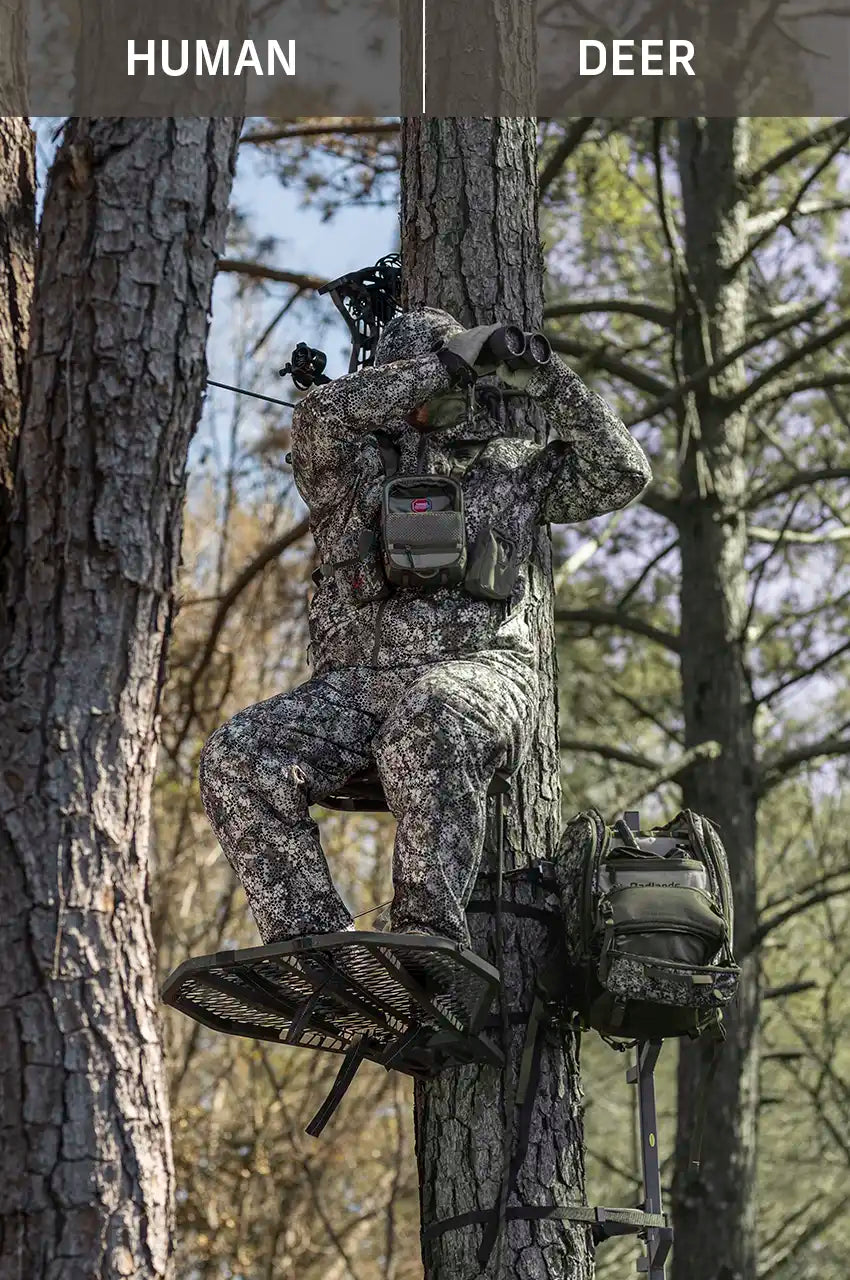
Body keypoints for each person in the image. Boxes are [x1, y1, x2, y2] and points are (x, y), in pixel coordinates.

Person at [199, 308, 652, 951]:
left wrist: (548, 377)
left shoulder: (512, 467)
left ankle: (425, 937)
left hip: (480, 671)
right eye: (412, 384)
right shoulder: (352, 470)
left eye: (445, 386)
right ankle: (311, 939)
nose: (428, 404)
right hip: (358, 686)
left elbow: (623, 472)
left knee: (429, 712)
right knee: (237, 755)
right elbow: (321, 414)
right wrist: (441, 368)